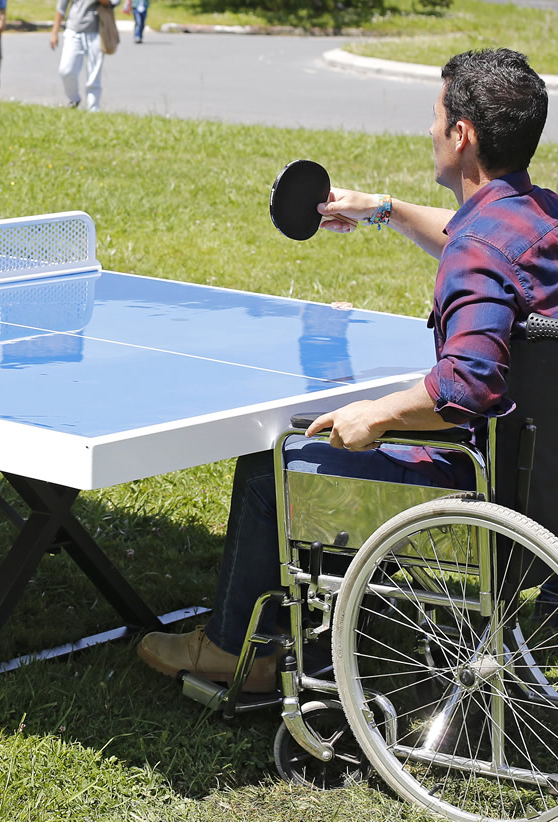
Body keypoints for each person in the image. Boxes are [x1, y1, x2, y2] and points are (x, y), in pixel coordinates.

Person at [137, 47, 558, 692]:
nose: (429, 129)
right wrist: (382, 209)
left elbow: (469, 381)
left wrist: (377, 414)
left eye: (436, 115)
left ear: (461, 134)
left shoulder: (479, 253)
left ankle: (233, 651)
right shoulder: (540, 219)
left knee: (270, 464)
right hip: (542, 488)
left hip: (481, 491)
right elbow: (476, 236)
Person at [50, 0, 117, 112]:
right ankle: (74, 99)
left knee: (93, 75)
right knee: (66, 70)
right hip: (73, 30)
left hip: (97, 30)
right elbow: (61, 6)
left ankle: (93, 109)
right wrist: (54, 31)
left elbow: (112, 2)